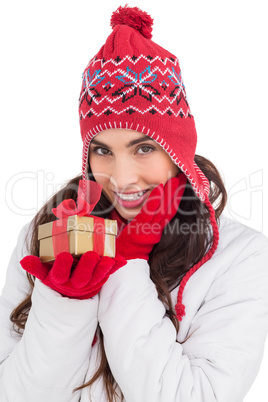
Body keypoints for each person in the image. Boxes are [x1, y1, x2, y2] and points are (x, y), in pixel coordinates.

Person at [1, 5, 268, 402]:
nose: (121, 177)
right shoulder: (48, 234)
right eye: (103, 150)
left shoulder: (239, 256)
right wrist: (66, 303)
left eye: (143, 147)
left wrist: (125, 266)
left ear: (177, 150)